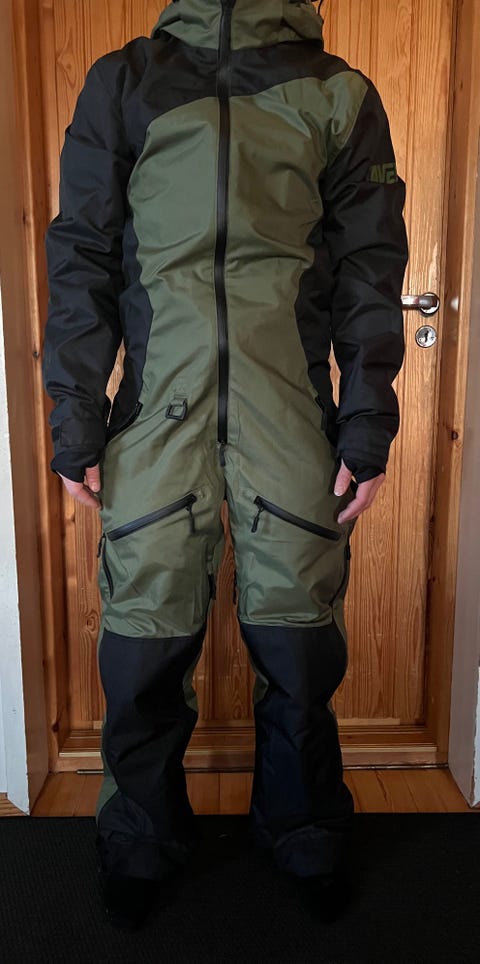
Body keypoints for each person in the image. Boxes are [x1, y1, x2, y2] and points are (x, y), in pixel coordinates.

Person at [43, 0, 408, 932]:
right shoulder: (123, 83)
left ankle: (304, 831)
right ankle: (141, 839)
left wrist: (368, 423)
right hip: (153, 420)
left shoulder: (338, 94)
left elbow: (370, 268)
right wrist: (75, 419)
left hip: (290, 417)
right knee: (143, 645)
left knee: (299, 645)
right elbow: (81, 255)